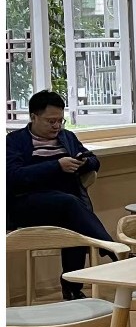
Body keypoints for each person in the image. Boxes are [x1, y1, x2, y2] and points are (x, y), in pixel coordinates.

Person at [6, 90, 116, 300]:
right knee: (70, 205)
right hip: (27, 205)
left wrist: (84, 163)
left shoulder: (67, 137)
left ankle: (72, 287)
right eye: (51, 121)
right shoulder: (14, 141)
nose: (56, 126)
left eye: (60, 120)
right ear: (33, 117)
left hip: (64, 204)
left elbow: (95, 161)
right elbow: (13, 177)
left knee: (73, 218)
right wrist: (56, 166)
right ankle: (110, 248)